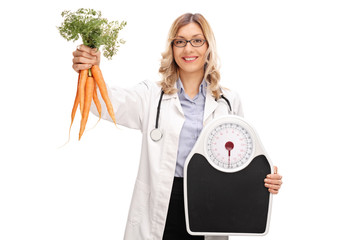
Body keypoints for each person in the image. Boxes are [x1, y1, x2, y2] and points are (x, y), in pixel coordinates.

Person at [72, 13, 283, 240]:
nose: (188, 49)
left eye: (197, 40)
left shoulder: (229, 102)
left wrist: (264, 179)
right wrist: (91, 70)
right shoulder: (151, 96)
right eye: (180, 41)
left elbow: (240, 158)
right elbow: (102, 103)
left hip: (210, 204)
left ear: (208, 47)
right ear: (172, 48)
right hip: (161, 208)